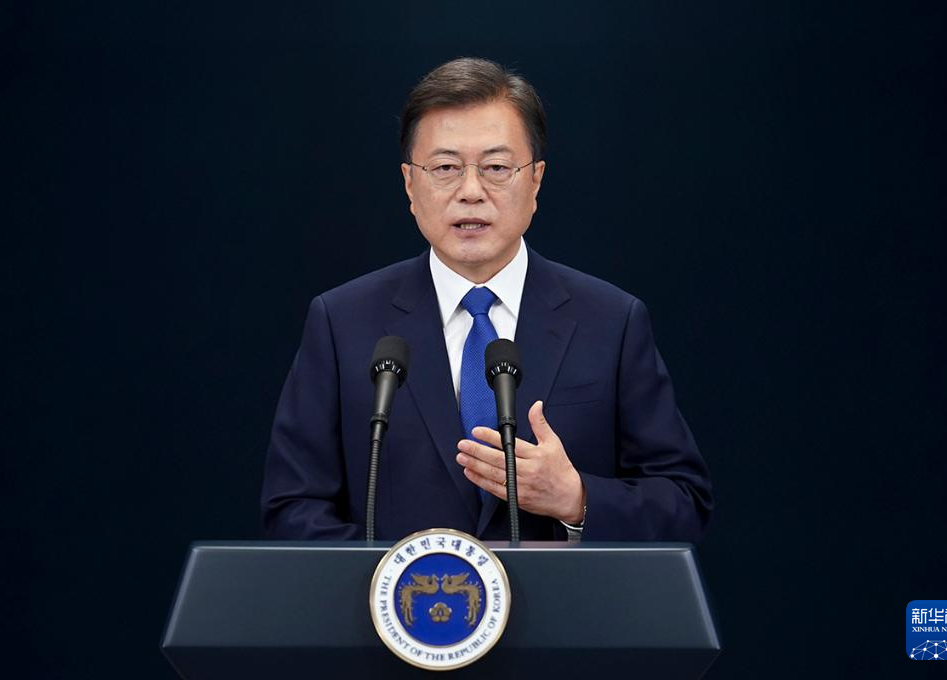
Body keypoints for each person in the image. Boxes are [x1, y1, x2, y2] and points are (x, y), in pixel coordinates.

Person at [261, 58, 712, 542]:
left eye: (497, 167)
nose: (471, 191)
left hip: (561, 595)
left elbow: (684, 501)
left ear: (535, 180)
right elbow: (292, 508)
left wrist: (576, 498)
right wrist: (398, 575)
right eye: (445, 168)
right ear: (410, 184)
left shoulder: (611, 321)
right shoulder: (342, 322)